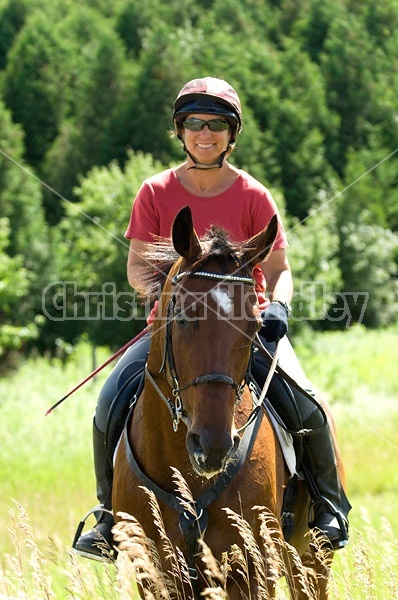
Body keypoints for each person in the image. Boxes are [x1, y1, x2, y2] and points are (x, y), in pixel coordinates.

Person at [73, 76, 351, 561]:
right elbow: (138, 266)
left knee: (308, 404)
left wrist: (278, 308)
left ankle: (327, 507)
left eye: (217, 124)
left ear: (231, 133)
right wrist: (175, 300)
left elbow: (279, 269)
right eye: (196, 123)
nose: (206, 133)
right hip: (174, 328)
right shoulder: (155, 191)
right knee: (109, 399)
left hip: (246, 328)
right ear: (180, 130)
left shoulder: (253, 195)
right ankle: (107, 515)